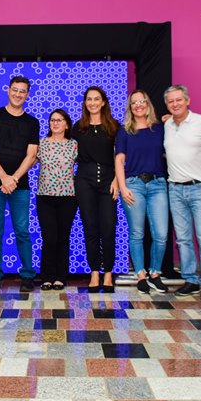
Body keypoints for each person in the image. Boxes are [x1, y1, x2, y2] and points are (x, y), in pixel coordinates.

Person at [0, 76, 40, 292]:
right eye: (15, 89)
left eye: (22, 91)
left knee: (22, 231)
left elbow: (31, 155)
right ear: (8, 90)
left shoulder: (32, 122)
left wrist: (13, 178)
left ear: (28, 95)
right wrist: (3, 177)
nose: (18, 94)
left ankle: (27, 275)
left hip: (20, 185)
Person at [163, 84, 201, 300]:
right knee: (183, 239)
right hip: (175, 188)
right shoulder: (167, 125)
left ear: (187, 100)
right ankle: (191, 280)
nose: (175, 104)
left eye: (179, 100)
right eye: (171, 101)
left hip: (200, 187)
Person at [115, 90, 169, 294]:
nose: (138, 105)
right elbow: (119, 160)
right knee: (137, 233)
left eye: (142, 101)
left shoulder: (160, 129)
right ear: (130, 107)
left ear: (148, 104)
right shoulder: (124, 131)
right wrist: (123, 187)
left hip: (158, 185)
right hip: (133, 185)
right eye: (134, 102)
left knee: (161, 234)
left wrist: (171, 119)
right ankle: (140, 274)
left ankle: (155, 273)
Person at [72, 86, 119, 293]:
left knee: (108, 227)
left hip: (109, 181)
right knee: (90, 228)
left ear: (103, 102)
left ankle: (108, 272)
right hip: (85, 182)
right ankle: (94, 272)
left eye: (96, 99)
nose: (92, 103)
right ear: (85, 103)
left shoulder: (115, 126)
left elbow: (121, 156)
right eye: (89, 99)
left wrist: (117, 180)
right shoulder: (78, 127)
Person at [36, 109, 78, 290]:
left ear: (66, 124)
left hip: (68, 197)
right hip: (45, 196)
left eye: (59, 120)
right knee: (49, 237)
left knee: (63, 237)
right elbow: (29, 161)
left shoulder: (74, 145)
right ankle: (46, 277)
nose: (55, 123)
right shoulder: (41, 143)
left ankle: (60, 277)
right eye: (52, 120)